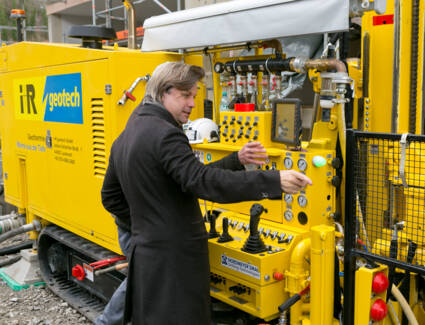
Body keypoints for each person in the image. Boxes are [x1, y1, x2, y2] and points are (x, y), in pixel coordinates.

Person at [101, 61, 312, 325]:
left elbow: (111, 195)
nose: (192, 103)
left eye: (195, 95)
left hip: (148, 255)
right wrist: (273, 180)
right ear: (164, 91)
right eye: (186, 95)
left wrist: (237, 159)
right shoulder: (166, 134)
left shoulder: (128, 134)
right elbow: (203, 182)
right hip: (175, 262)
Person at [96, 140, 276, 325]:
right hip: (140, 229)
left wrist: (236, 159)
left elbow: (197, 178)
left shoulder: (154, 133)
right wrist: (153, 222)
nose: (190, 108)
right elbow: (110, 198)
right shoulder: (157, 137)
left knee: (153, 281)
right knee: (144, 280)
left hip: (148, 226)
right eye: (186, 108)